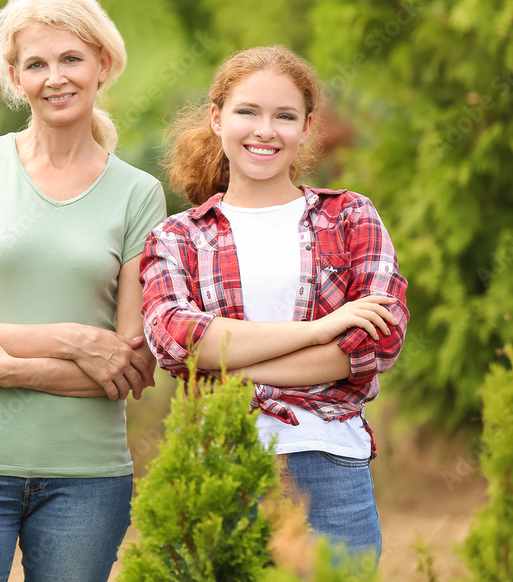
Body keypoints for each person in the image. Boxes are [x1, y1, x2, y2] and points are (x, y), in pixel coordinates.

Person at [0, 0, 167, 582]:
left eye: (72, 58)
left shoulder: (138, 195)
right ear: (14, 76)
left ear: (103, 63)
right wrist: (76, 340)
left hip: (86, 478)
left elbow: (129, 366)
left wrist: (4, 368)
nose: (57, 77)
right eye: (37, 63)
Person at [139, 45, 409, 563]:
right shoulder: (179, 237)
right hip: (218, 465)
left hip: (330, 469)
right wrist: (320, 329)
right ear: (217, 119)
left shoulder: (350, 216)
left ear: (306, 128)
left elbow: (376, 342)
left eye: (284, 116)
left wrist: (233, 371)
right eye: (247, 112)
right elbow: (178, 342)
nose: (265, 130)